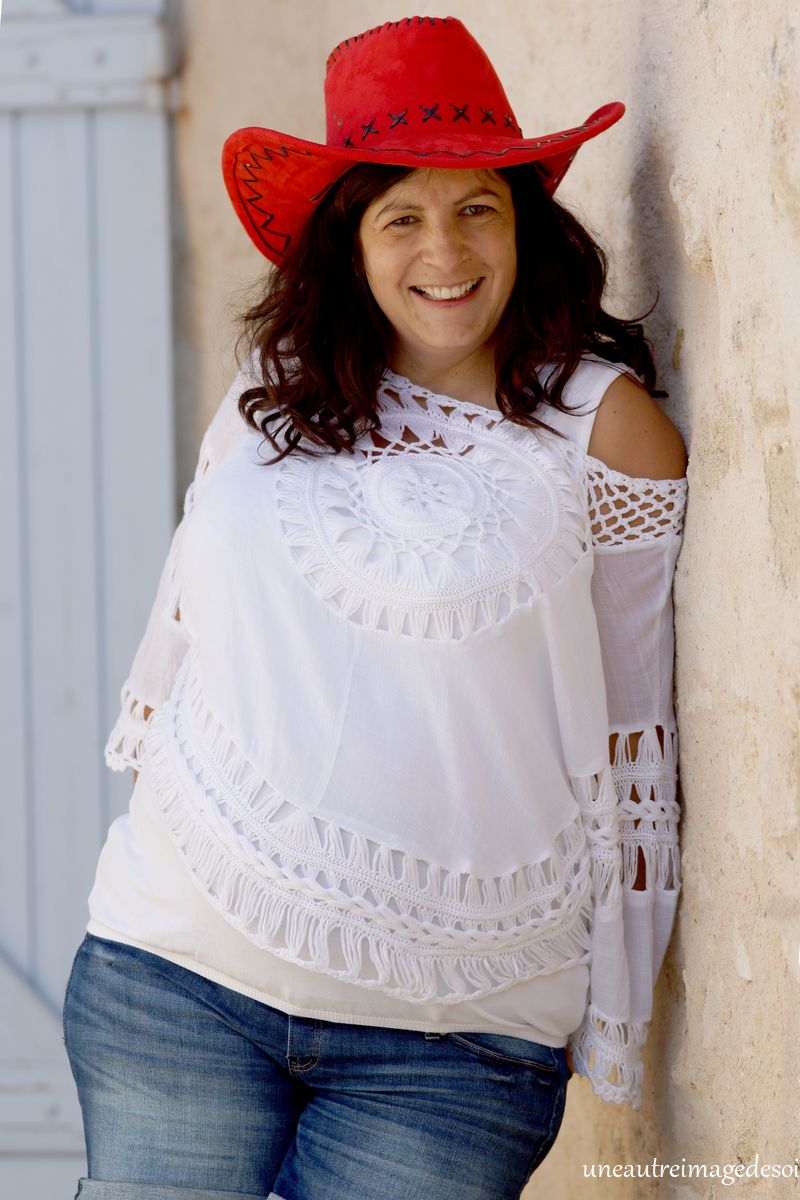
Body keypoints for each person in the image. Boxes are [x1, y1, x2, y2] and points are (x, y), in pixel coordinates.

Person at [63, 16, 688, 1200]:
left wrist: (612, 1000)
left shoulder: (604, 430)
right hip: (177, 975)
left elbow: (630, 740)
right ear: (349, 243)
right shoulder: (272, 393)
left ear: (525, 225)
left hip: (451, 1047)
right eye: (400, 215)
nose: (443, 250)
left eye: (476, 208)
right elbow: (190, 628)